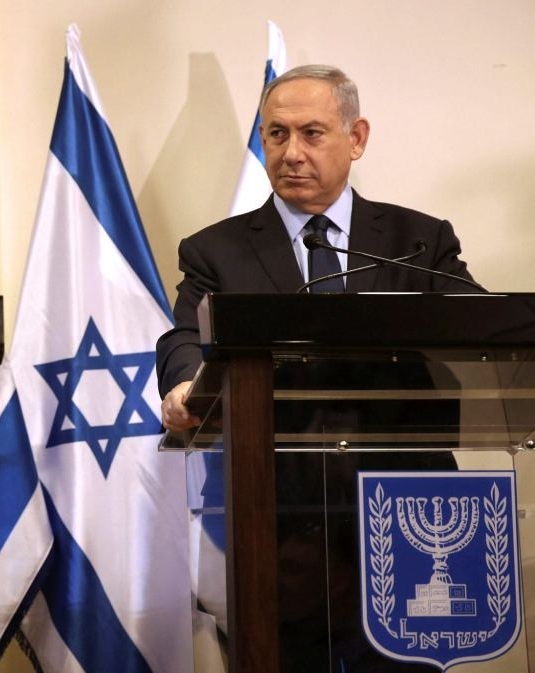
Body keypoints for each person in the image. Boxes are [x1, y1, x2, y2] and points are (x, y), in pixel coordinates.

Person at [156, 65, 475, 673]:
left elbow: (480, 329)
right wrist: (180, 384)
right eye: (276, 135)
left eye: (312, 133)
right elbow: (184, 335)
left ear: (356, 138)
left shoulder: (417, 241)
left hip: (408, 510)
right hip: (278, 511)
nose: (291, 152)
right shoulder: (216, 250)